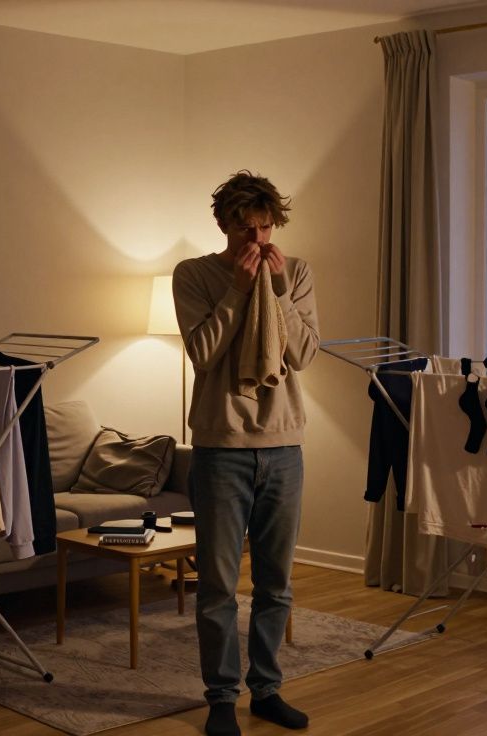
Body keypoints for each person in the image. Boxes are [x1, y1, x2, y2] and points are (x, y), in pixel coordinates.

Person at [172, 171, 320, 736]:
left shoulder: (297, 273)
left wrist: (277, 294)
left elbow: (304, 353)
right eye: (242, 229)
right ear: (222, 225)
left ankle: (267, 691)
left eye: (263, 227)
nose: (255, 241)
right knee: (216, 585)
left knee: (276, 583)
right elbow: (204, 353)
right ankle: (219, 700)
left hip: (284, 447)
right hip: (220, 450)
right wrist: (238, 288)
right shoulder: (195, 275)